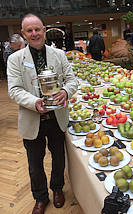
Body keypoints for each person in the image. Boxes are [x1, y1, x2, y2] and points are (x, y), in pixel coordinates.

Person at [7, 14, 78, 214]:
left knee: (58, 158)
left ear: (44, 30)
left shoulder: (59, 55)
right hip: (32, 119)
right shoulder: (15, 59)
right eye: (29, 31)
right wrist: (34, 102)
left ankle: (57, 189)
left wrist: (65, 91)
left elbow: (72, 81)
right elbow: (14, 89)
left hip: (57, 118)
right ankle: (40, 198)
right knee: (34, 164)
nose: (34, 33)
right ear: (23, 34)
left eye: (37, 29)